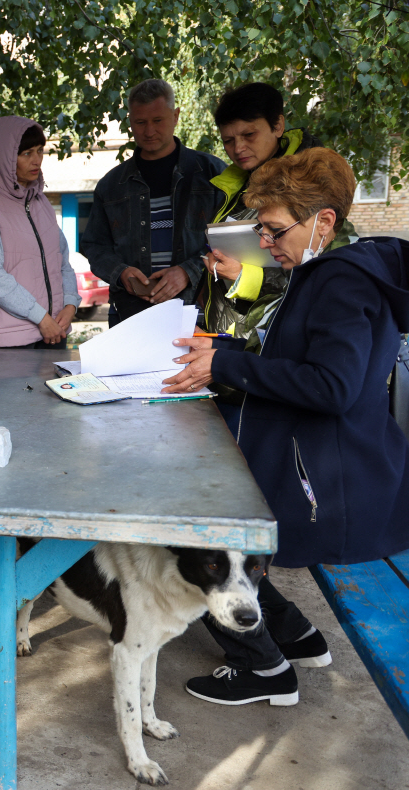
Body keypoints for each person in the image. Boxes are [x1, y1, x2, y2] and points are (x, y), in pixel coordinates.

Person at [163, 148, 409, 705]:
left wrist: (225, 365)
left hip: (325, 482)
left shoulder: (340, 282)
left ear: (323, 222)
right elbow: (298, 358)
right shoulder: (322, 273)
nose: (266, 245)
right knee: (208, 507)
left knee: (188, 530)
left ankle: (263, 671)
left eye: (274, 231)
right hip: (319, 462)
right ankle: (294, 636)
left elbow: (333, 386)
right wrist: (222, 349)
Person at [201, 82, 354, 340]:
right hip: (229, 341)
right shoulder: (234, 183)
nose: (238, 148)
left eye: (249, 135)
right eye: (228, 140)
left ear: (278, 126)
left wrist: (243, 277)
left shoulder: (311, 181)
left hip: (266, 346)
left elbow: (324, 276)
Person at [82, 79, 225, 325]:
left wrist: (188, 272)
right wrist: (121, 273)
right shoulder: (110, 185)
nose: (149, 131)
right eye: (140, 122)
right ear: (130, 122)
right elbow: (94, 247)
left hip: (200, 313)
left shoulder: (213, 174)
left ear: (176, 116)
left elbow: (232, 240)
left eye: (157, 121)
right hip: (131, 316)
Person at [0, 116, 81, 348]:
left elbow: (63, 263)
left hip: (54, 333)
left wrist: (70, 304)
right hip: (9, 342)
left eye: (40, 151)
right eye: (26, 153)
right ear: (6, 156)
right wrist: (40, 317)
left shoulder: (42, 203)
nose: (36, 160)